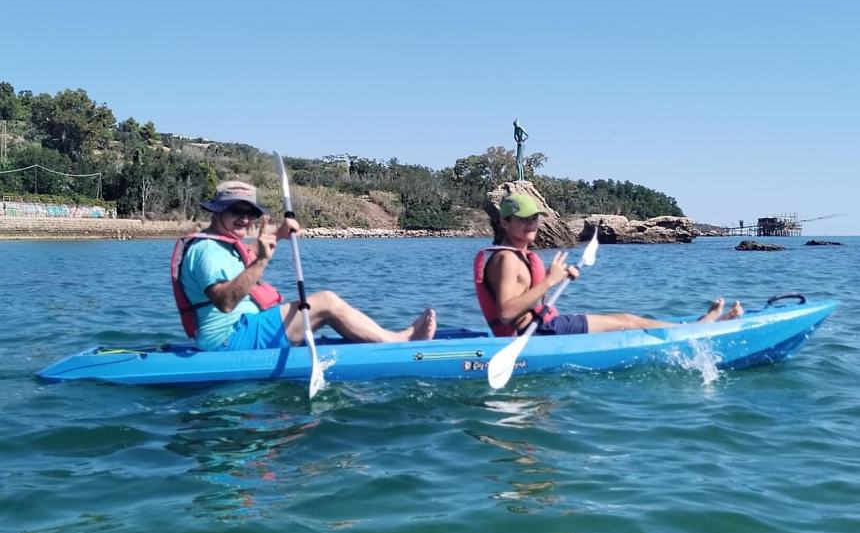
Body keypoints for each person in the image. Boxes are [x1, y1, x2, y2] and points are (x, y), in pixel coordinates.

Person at [172, 180, 436, 351]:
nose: (244, 219)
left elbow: (242, 261)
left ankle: (385, 338)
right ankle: (399, 342)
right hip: (229, 340)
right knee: (326, 302)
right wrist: (263, 260)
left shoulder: (220, 245)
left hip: (243, 329)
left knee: (322, 303)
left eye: (250, 213)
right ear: (217, 212)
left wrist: (278, 235)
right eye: (235, 211)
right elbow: (225, 302)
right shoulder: (206, 250)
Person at [474, 193, 743, 337]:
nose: (531, 223)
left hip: (543, 325)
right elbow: (508, 312)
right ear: (505, 223)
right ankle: (696, 330)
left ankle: (694, 326)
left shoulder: (517, 255)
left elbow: (526, 300)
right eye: (522, 219)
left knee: (623, 319)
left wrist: (556, 276)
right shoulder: (506, 259)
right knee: (625, 321)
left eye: (534, 218)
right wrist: (549, 280)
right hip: (539, 332)